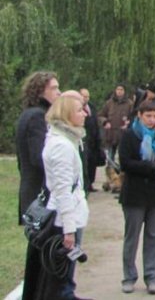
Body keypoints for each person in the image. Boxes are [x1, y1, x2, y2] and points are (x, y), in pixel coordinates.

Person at [25, 91, 91, 300]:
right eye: (79, 110)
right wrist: (69, 231)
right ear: (67, 115)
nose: (85, 114)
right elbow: (63, 191)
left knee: (62, 277)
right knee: (59, 279)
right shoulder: (61, 145)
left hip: (67, 216)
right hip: (62, 220)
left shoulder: (66, 139)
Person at [118, 98, 155, 295]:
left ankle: (151, 276)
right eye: (148, 116)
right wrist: (150, 166)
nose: (152, 120)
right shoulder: (130, 135)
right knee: (132, 237)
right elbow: (125, 163)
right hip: (134, 194)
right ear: (140, 115)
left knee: (153, 236)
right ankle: (129, 277)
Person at [16, 72, 62, 300]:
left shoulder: (31, 114)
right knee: (43, 260)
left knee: (38, 258)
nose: (59, 93)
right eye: (54, 88)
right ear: (40, 91)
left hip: (34, 194)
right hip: (40, 198)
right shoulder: (37, 117)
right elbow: (39, 158)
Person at [98, 84, 131, 163]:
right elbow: (100, 115)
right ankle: (110, 168)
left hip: (123, 134)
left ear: (124, 91)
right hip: (111, 134)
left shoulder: (129, 104)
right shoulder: (109, 103)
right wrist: (105, 122)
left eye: (121, 89)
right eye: (118, 89)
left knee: (123, 156)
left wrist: (128, 123)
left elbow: (133, 117)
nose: (119, 91)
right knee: (110, 157)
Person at [79, 88, 103, 193]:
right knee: (84, 163)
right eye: (84, 96)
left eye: (87, 96)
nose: (86, 98)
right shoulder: (78, 109)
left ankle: (90, 183)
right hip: (84, 140)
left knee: (92, 164)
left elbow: (96, 122)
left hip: (94, 140)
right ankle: (84, 184)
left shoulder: (91, 107)